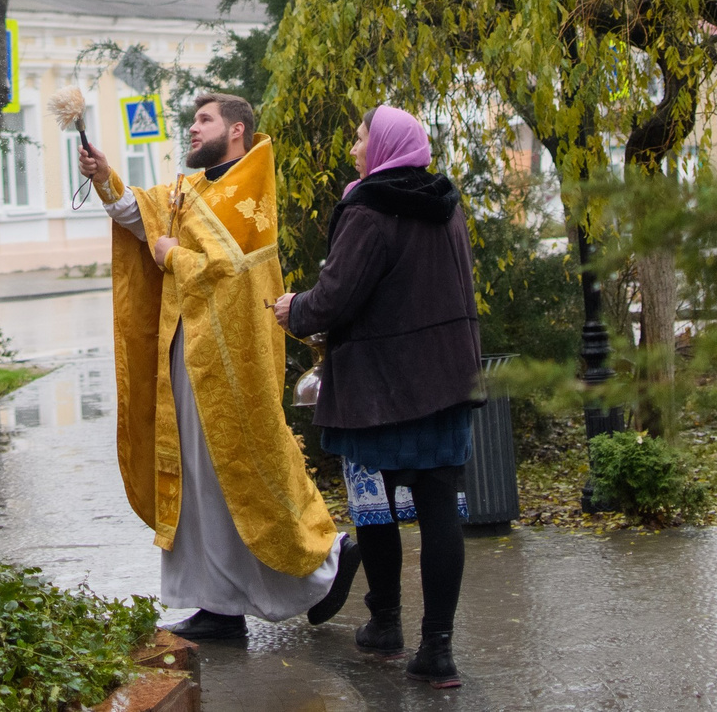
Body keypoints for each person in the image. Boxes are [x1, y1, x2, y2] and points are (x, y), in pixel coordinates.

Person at [79, 94, 347, 644]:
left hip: (232, 358)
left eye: (205, 120)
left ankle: (329, 561)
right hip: (185, 350)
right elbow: (142, 219)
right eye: (194, 119)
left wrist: (172, 256)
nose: (193, 128)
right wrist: (106, 177)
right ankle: (217, 605)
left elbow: (233, 277)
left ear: (237, 129)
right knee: (199, 483)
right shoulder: (191, 188)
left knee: (249, 470)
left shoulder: (249, 190)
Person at [275, 105, 480, 688]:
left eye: (361, 136)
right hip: (444, 381)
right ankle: (437, 651)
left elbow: (338, 297)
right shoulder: (445, 202)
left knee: (373, 505)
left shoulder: (368, 207)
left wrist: (297, 310)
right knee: (441, 510)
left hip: (378, 388)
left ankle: (386, 624)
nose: (355, 147)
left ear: (385, 143)